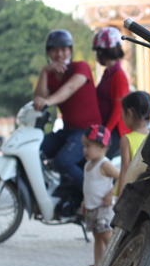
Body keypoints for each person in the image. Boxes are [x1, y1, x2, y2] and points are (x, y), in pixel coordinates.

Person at [32, 29, 101, 211]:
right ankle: (60, 191)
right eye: (55, 50)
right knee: (35, 149)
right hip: (68, 130)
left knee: (64, 161)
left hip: (89, 130)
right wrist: (45, 72)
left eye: (64, 49)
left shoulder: (81, 67)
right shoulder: (51, 76)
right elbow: (37, 100)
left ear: (70, 50)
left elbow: (69, 88)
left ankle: (95, 196)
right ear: (48, 53)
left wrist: (48, 101)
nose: (60, 54)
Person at [80, 125, 119, 266]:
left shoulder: (105, 164)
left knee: (106, 235)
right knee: (97, 236)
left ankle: (116, 263)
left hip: (103, 208)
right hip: (91, 207)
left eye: (88, 145)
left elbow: (119, 177)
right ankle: (98, 265)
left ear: (102, 146)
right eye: (84, 146)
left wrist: (111, 194)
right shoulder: (88, 165)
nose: (85, 149)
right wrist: (84, 201)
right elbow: (87, 186)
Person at [93, 27, 130, 158]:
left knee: (97, 159)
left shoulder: (118, 75)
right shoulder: (108, 73)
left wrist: (106, 132)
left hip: (115, 131)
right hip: (107, 127)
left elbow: (118, 109)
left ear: (102, 52)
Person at [117, 90, 150, 196]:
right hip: (146, 191)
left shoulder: (126, 139)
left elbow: (125, 169)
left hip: (130, 191)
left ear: (129, 113)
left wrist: (120, 195)